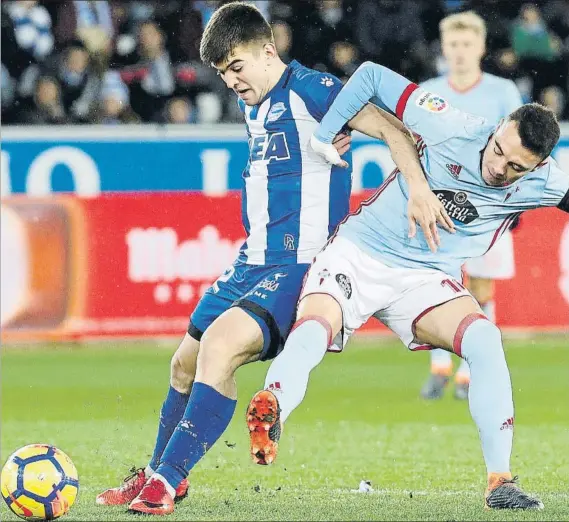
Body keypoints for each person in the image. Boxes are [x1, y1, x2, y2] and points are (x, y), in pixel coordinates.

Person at [95, 3, 450, 516]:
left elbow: (395, 130)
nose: (231, 81)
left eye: (236, 67)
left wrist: (417, 189)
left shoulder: (314, 90)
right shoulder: (253, 103)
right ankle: (157, 471)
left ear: (268, 51)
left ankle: (164, 484)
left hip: (299, 266)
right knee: (183, 366)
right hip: (250, 262)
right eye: (222, 74)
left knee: (220, 349)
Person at [247, 60, 568, 510]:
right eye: (498, 150)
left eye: (516, 167)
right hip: (360, 253)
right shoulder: (452, 124)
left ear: (538, 166)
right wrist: (327, 133)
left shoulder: (547, 182)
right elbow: (371, 76)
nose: (499, 168)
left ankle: (501, 481)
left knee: (484, 338)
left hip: (423, 279)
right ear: (497, 128)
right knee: (317, 324)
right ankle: (272, 404)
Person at [420, 11, 524, 400]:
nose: (460, 52)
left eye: (467, 44)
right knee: (434, 285)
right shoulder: (428, 92)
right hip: (438, 204)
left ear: (480, 47)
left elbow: (522, 150)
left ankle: (469, 370)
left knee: (479, 289)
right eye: (453, 45)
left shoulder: (503, 92)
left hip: (490, 206)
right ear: (443, 49)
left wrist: (516, 201)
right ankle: (439, 366)